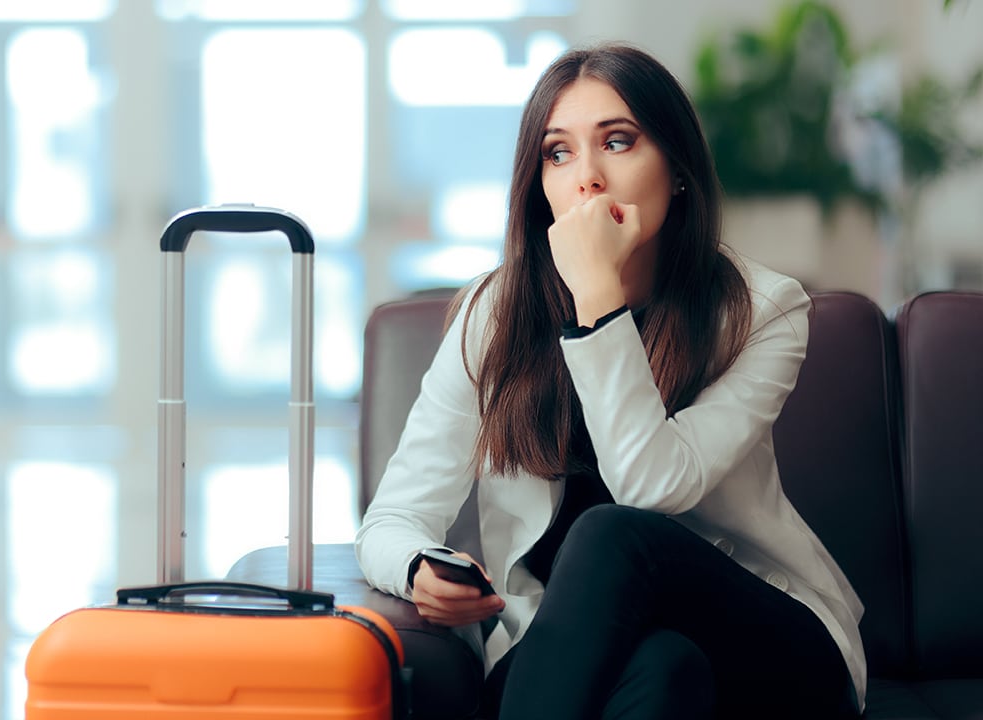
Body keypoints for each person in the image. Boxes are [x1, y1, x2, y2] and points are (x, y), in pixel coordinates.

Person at [355, 43, 865, 719]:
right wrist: (420, 568)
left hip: (770, 647)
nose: (586, 178)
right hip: (585, 654)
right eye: (557, 154)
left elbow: (650, 489)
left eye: (617, 142)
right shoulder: (493, 316)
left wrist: (598, 296)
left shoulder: (762, 311)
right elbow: (392, 519)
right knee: (664, 671)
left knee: (609, 535)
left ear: (677, 170)